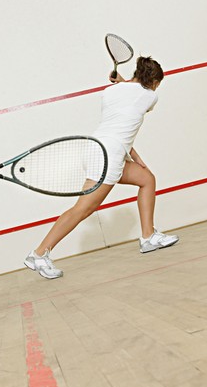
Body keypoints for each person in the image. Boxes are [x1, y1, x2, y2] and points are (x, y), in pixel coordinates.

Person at [24, 56, 179, 279]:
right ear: (153, 82)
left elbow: (122, 121)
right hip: (110, 156)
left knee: (147, 179)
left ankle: (148, 237)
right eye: (157, 84)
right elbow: (136, 101)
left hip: (98, 147)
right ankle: (39, 253)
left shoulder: (109, 92)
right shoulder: (149, 97)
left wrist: (123, 81)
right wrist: (125, 81)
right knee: (83, 209)